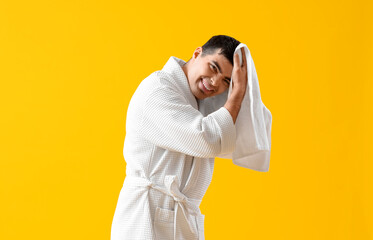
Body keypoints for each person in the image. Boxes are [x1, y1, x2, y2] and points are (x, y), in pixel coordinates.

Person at [111, 35, 247, 240]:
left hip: (179, 220)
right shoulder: (158, 90)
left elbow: (243, 135)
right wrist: (237, 92)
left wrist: (242, 82)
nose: (213, 83)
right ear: (197, 53)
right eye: (213, 67)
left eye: (226, 81)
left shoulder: (198, 100)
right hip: (146, 219)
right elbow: (209, 139)